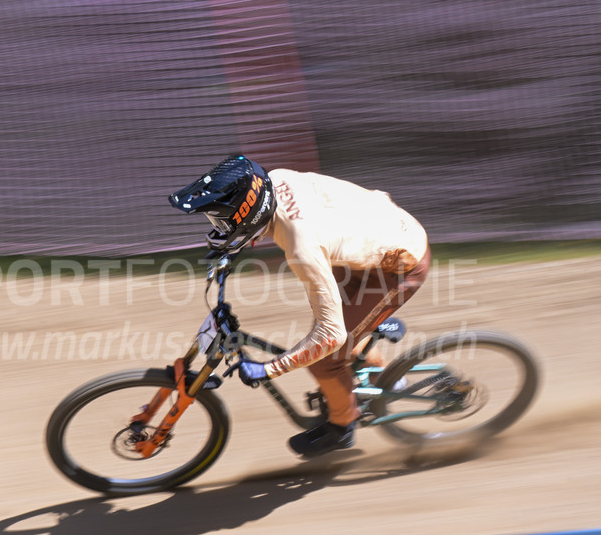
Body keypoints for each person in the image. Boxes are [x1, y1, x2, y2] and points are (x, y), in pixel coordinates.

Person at [169, 155, 430, 457]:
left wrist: (268, 369)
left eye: (224, 222)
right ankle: (376, 355)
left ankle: (343, 426)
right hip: (373, 232)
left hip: (398, 263)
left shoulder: (301, 247)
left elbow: (330, 335)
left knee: (325, 358)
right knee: (336, 327)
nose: (219, 228)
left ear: (250, 213)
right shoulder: (275, 180)